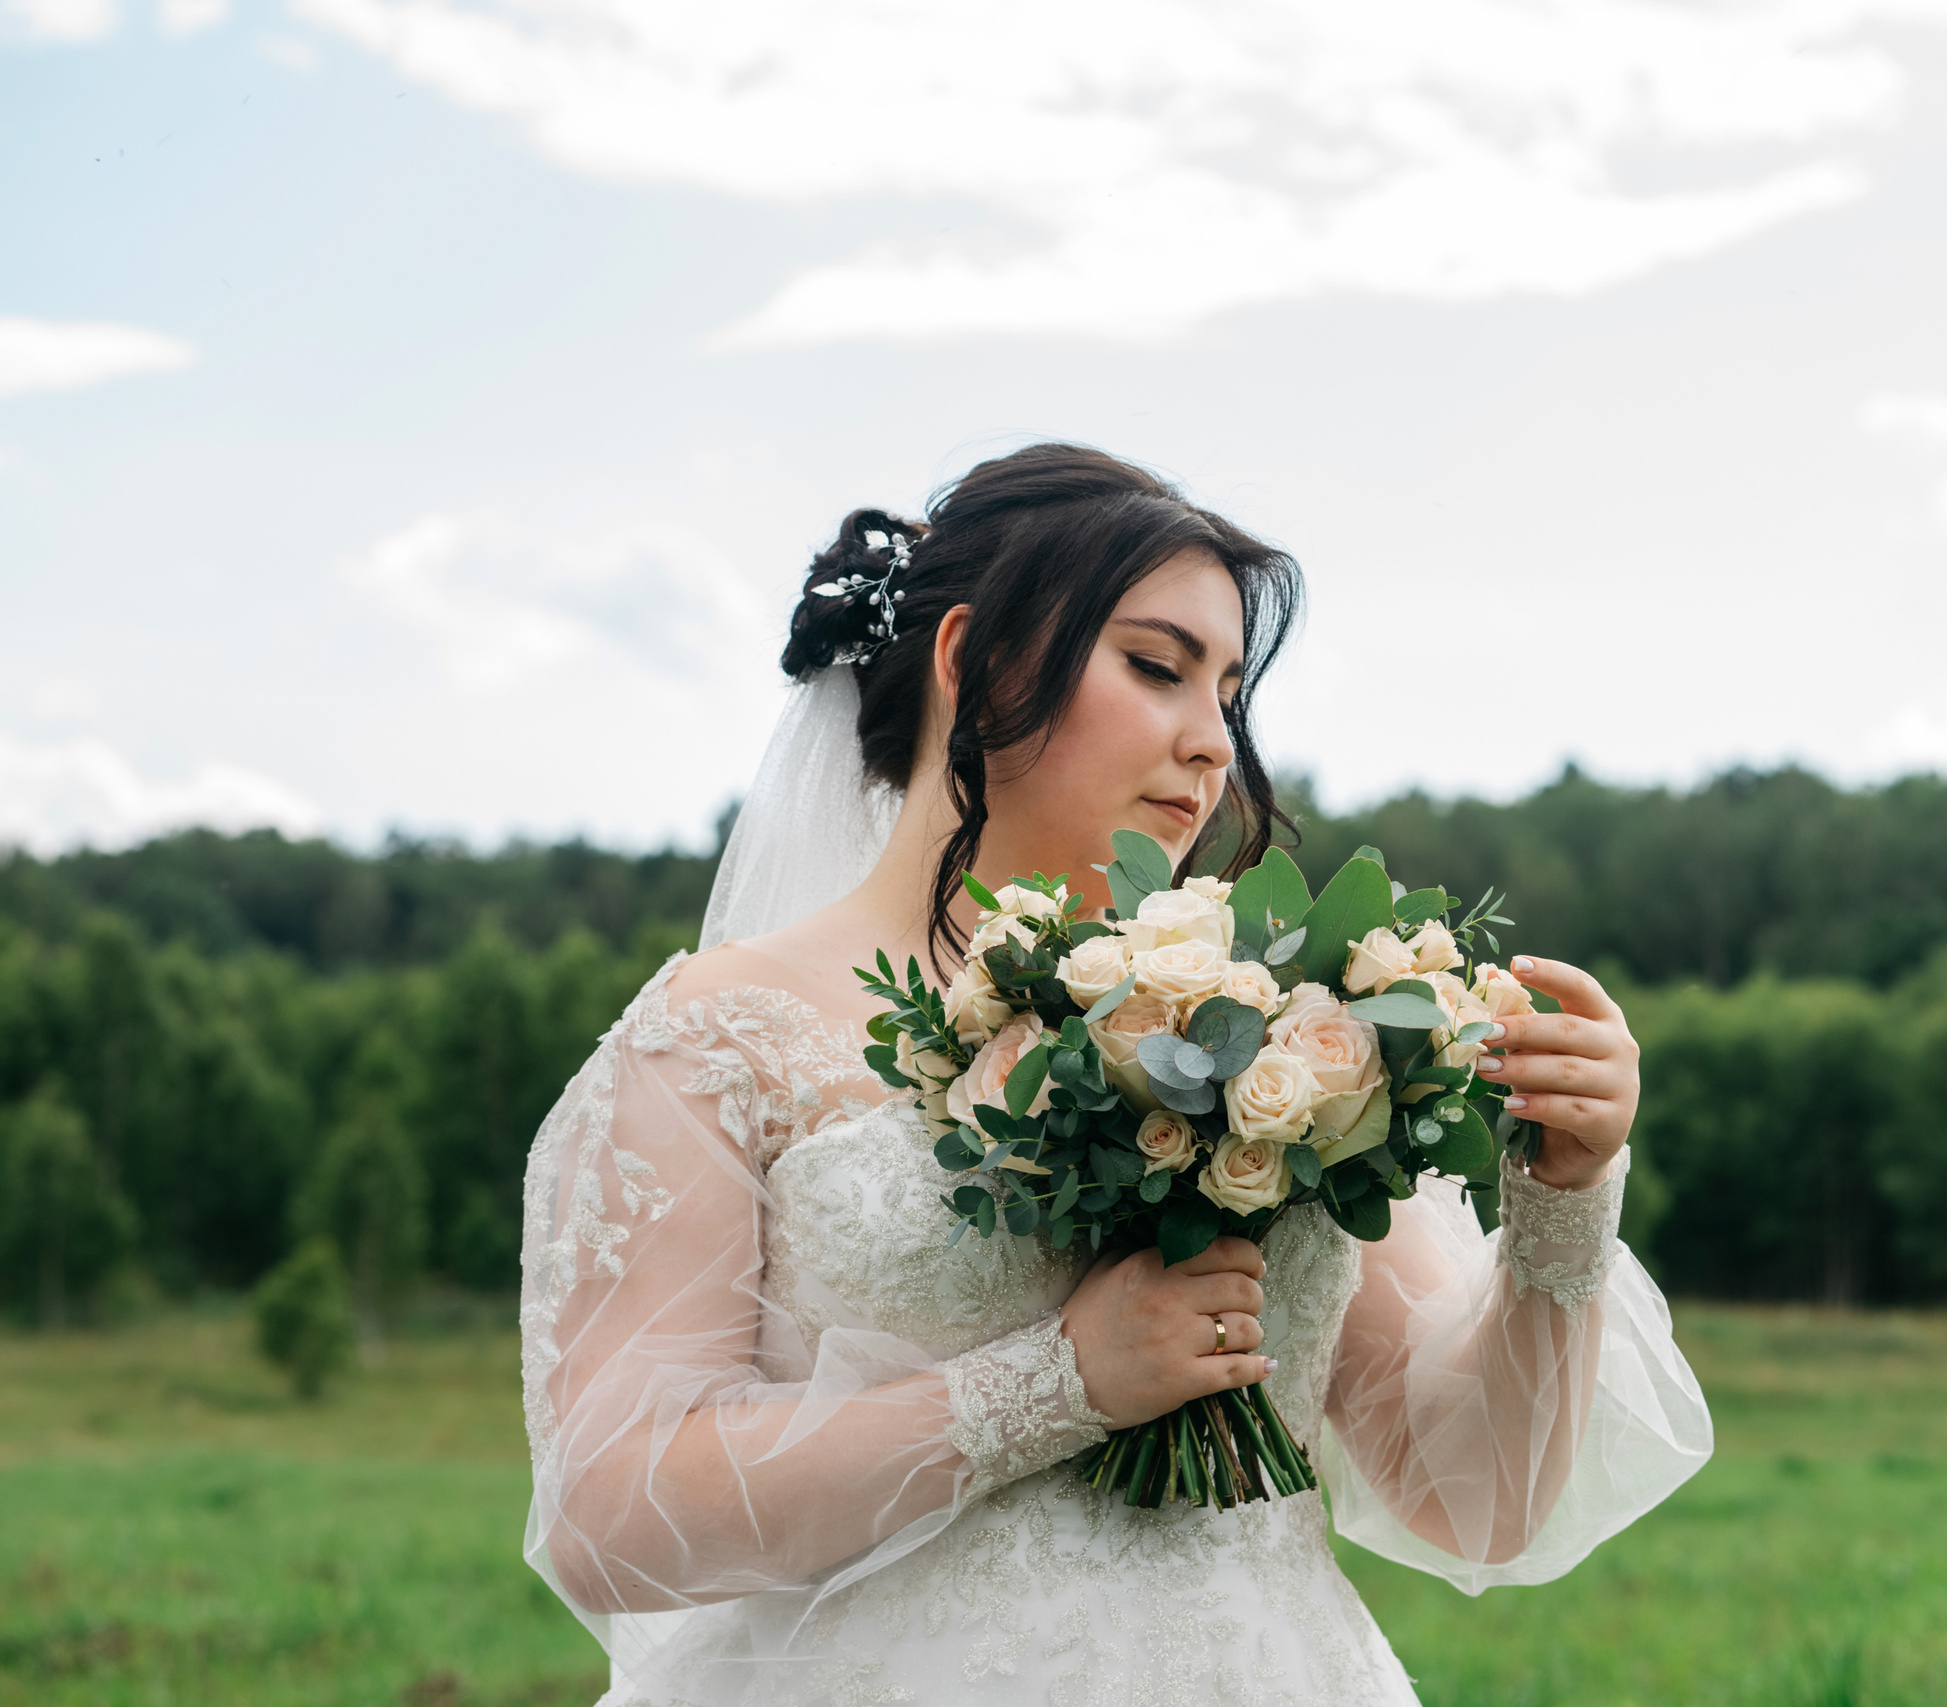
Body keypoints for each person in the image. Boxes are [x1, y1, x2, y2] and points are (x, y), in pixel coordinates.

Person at [518, 443, 1712, 1705]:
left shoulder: (1286, 1023)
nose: (1210, 747)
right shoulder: (722, 1035)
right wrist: (1054, 1386)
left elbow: (1475, 1502)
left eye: (1228, 696)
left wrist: (1564, 1200)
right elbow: (611, 1517)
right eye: (1156, 668)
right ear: (971, 658)